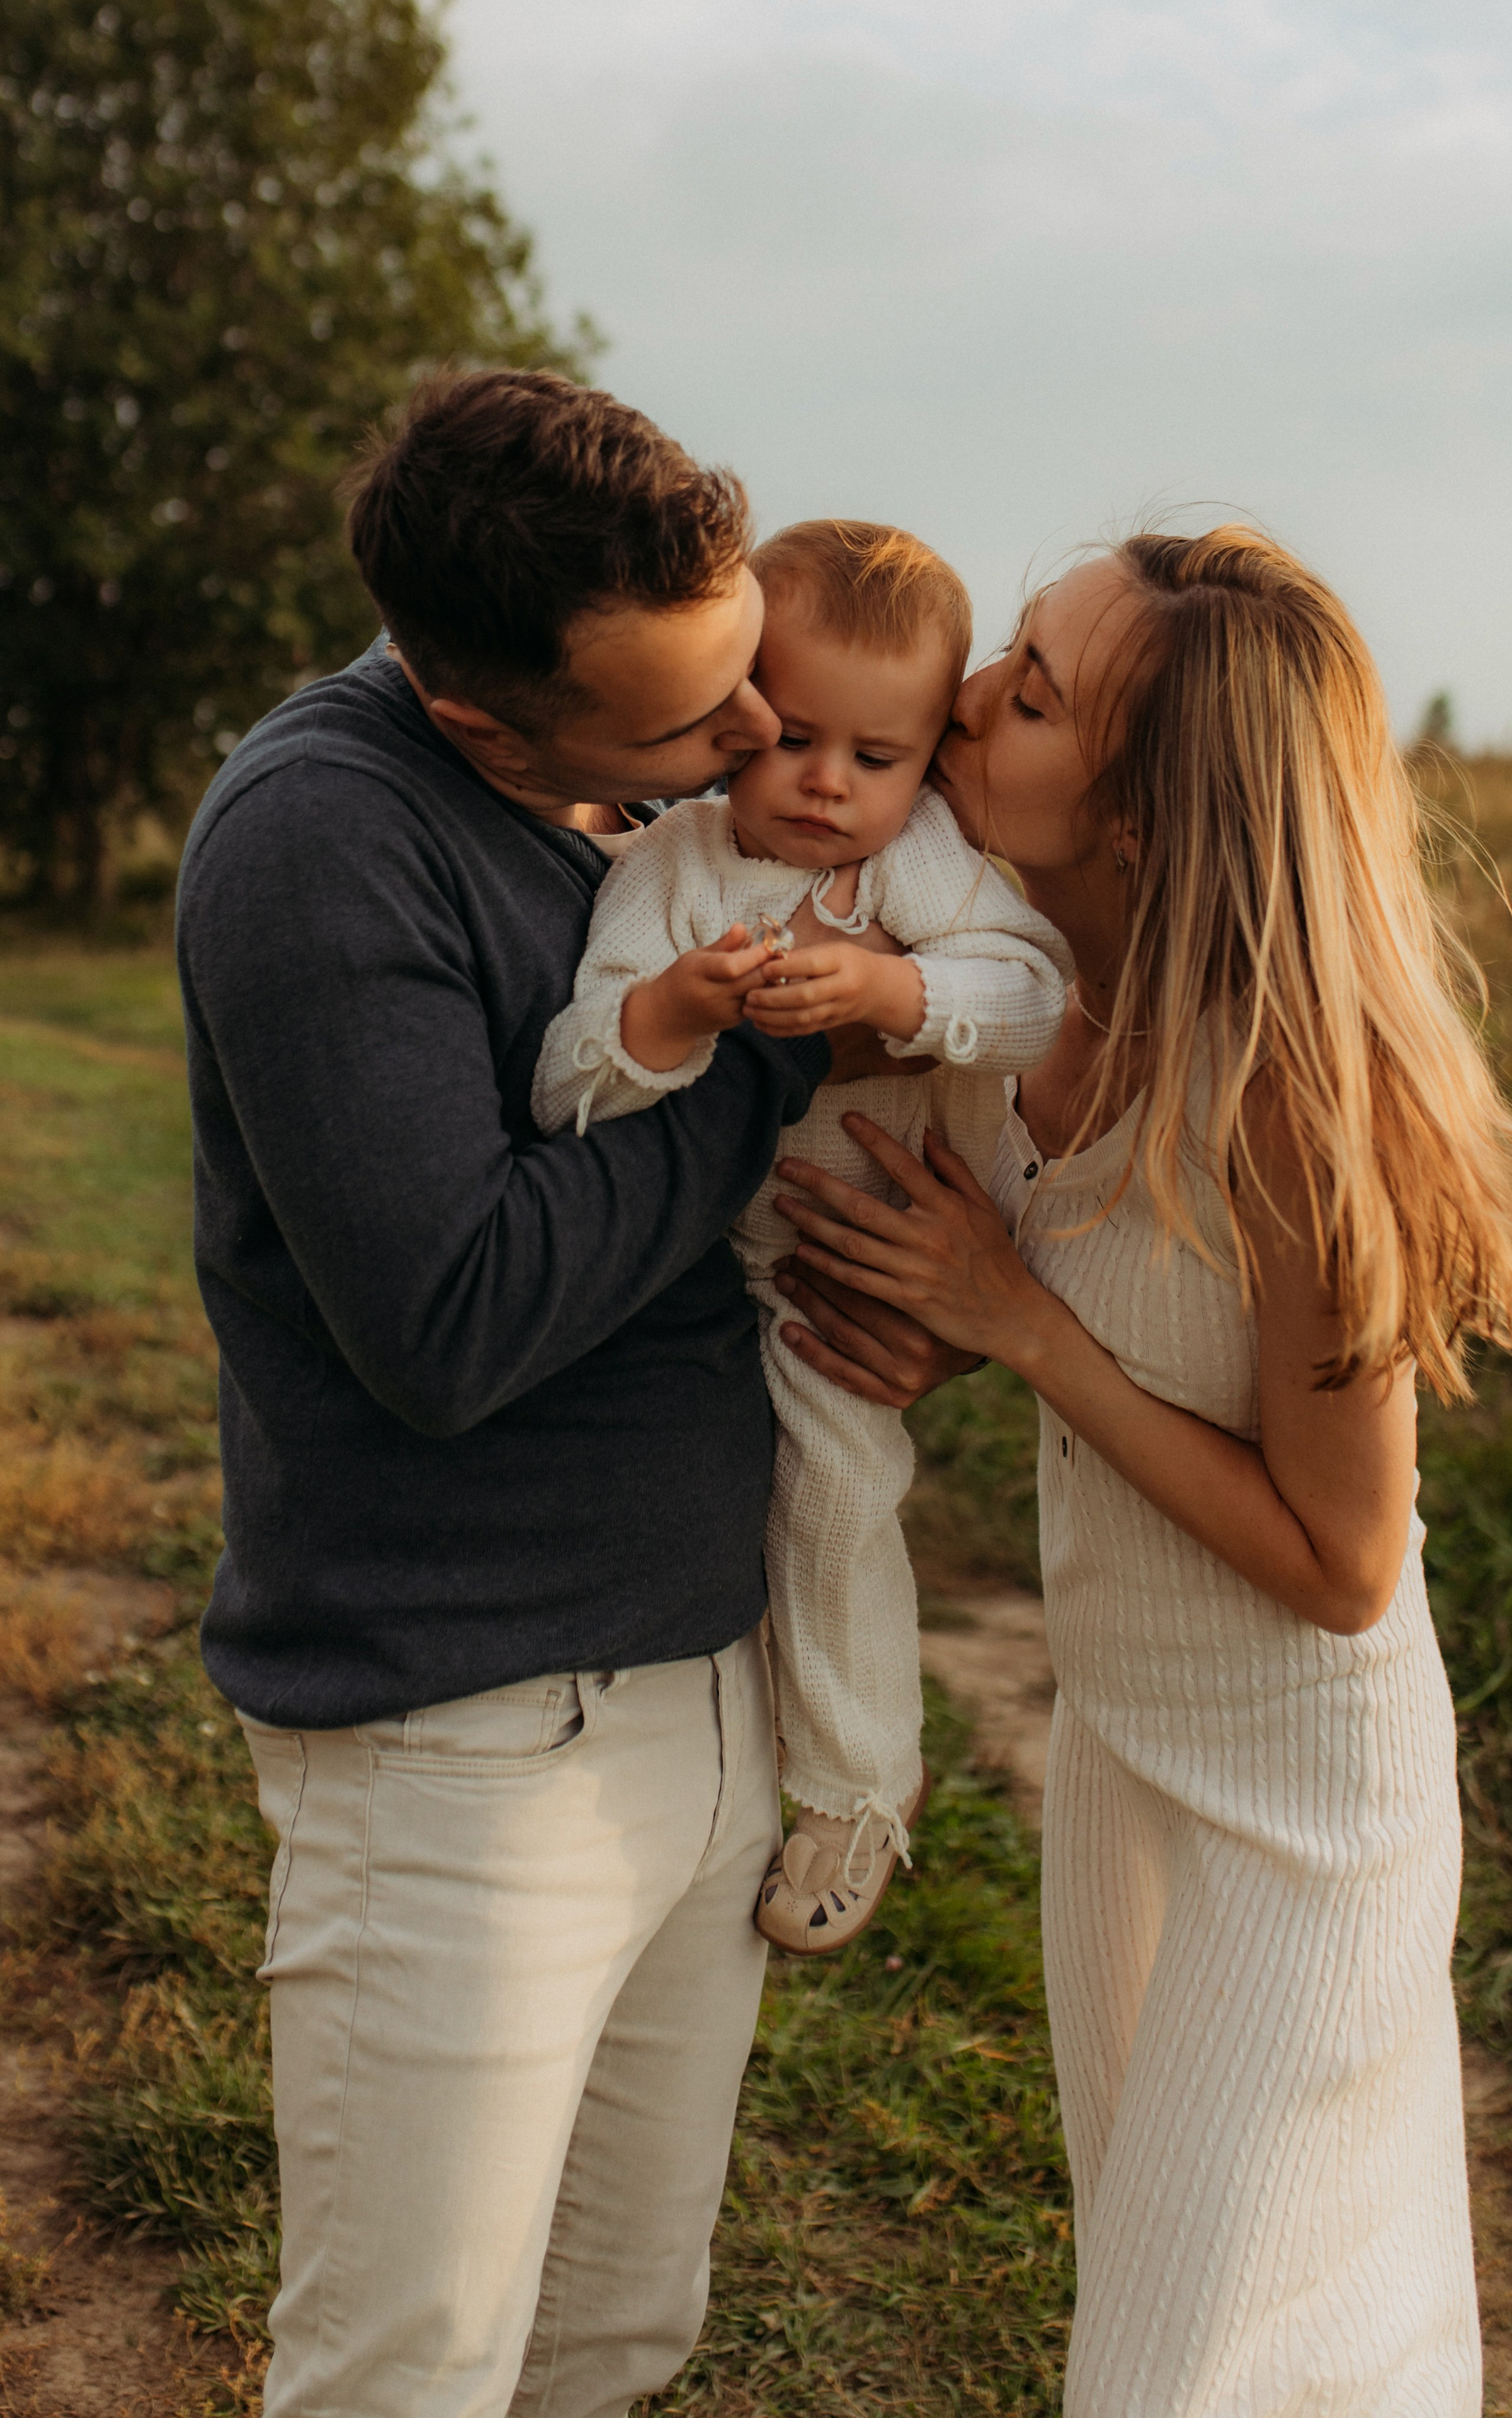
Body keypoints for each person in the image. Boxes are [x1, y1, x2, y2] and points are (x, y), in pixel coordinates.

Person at [174, 368, 960, 2418]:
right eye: (697, 726)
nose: (763, 744)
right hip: (472, 1740)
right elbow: (450, 1314)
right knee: (410, 2376)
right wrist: (775, 1060)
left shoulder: (626, 772)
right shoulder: (325, 838)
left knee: (614, 2340)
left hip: (702, 1691)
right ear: (481, 724)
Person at [769, 528, 1512, 2413]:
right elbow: (1057, 1337)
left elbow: (1343, 1563)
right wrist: (935, 1337)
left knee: (1190, 2363)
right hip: (1123, 1751)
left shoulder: (1296, 1105)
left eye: (1036, 693)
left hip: (1306, 1814)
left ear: (1145, 815)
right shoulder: (1020, 1012)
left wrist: (1026, 1330)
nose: (969, 693)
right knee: (1178, 2287)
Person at [531, 519, 1071, 1953]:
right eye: (793, 740)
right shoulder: (672, 873)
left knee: (833, 1494)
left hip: (881, 1239)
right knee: (738, 1492)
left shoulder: (920, 867)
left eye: (876, 758)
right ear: (735, 716)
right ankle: (715, 1744)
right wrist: (675, 1013)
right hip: (728, 1256)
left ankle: (854, 1785)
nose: (828, 784)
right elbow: (567, 1075)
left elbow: (1033, 998)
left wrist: (895, 994)